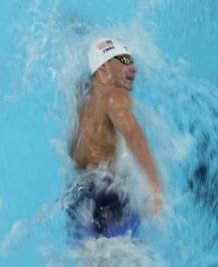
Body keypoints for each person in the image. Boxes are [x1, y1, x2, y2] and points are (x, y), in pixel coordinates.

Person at [66, 38, 162, 239]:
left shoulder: (83, 96)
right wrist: (155, 185)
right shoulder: (114, 96)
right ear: (104, 67)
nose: (133, 68)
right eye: (124, 61)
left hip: (80, 195)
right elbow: (134, 136)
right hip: (108, 197)